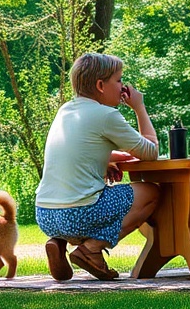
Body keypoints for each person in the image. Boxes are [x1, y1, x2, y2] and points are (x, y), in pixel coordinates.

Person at [36, 52, 160, 281]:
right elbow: (151, 151)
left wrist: (106, 159)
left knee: (88, 200)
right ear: (101, 85)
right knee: (151, 191)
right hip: (79, 214)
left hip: (45, 214)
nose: (123, 87)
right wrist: (139, 107)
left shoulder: (65, 110)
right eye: (119, 80)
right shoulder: (106, 115)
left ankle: (58, 241)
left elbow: (77, 149)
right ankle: (91, 249)